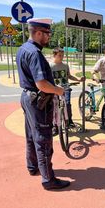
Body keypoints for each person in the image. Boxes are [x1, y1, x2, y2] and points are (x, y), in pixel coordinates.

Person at [16, 18, 70, 190]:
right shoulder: (35, 53)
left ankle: (33, 167)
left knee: (31, 136)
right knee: (43, 139)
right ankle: (48, 179)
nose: (49, 37)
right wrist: (58, 90)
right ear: (38, 33)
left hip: (27, 97)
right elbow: (42, 84)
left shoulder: (23, 49)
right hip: (38, 101)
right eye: (47, 34)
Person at [50, 47, 85, 129]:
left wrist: (78, 79)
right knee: (54, 106)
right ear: (54, 55)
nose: (61, 57)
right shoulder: (50, 66)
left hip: (65, 88)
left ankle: (69, 121)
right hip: (54, 89)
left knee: (67, 104)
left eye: (62, 55)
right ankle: (54, 125)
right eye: (59, 55)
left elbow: (69, 76)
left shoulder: (65, 66)